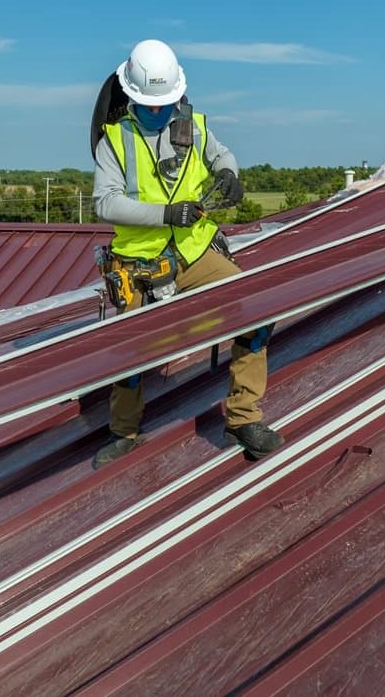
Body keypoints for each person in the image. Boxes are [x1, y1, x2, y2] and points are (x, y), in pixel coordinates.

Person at [91, 38, 284, 469]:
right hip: (140, 263)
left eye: (165, 104)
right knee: (132, 348)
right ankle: (124, 432)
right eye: (149, 105)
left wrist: (230, 172)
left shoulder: (192, 127)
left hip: (195, 252)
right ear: (132, 97)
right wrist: (165, 213)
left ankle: (243, 417)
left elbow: (222, 154)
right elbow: (105, 203)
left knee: (252, 310)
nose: (158, 113)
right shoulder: (115, 141)